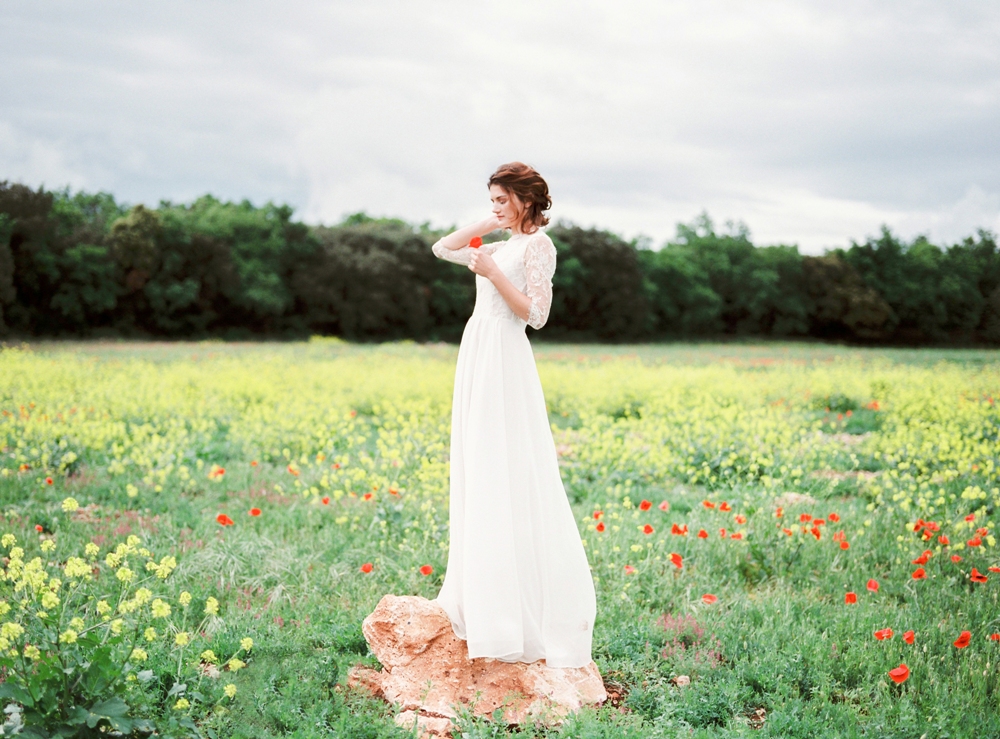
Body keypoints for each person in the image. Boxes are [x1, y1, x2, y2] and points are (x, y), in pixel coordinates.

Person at [430, 162, 597, 669]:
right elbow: (443, 248)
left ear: (526, 200)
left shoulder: (537, 248)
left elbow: (537, 315)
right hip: (478, 350)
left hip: (505, 353)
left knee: (502, 466)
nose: (496, 208)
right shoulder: (500, 244)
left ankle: (514, 614)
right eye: (492, 200)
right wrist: (485, 230)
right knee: (477, 465)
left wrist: (496, 271)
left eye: (502, 201)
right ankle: (478, 596)